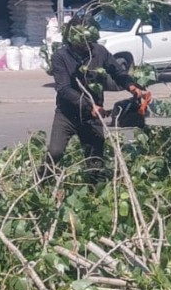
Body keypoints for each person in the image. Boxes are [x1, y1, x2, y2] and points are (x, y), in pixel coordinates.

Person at [44, 14, 145, 182]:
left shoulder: (99, 51)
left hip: (93, 118)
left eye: (88, 39)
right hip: (67, 115)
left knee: (95, 161)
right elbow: (64, 89)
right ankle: (42, 181)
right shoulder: (60, 57)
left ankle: (93, 192)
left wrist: (132, 86)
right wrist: (90, 105)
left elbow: (118, 72)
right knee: (55, 152)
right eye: (81, 39)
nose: (85, 44)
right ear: (71, 36)